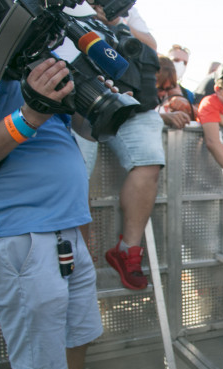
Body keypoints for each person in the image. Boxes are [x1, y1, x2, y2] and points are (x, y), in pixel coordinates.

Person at [0, 5, 102, 369]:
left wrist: (98, 104)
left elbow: (70, 134)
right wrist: (30, 115)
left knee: (75, 347)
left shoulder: (41, 49)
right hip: (18, 237)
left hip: (66, 232)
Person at [68, 4, 165, 291]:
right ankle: (80, 260)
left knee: (150, 160)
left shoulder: (125, 11)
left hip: (132, 102)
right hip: (77, 97)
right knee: (76, 174)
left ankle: (127, 250)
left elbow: (148, 46)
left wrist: (116, 19)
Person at [156, 55, 193, 126]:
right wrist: (164, 117)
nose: (163, 93)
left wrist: (185, 107)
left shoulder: (174, 94)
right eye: (159, 89)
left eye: (167, 89)